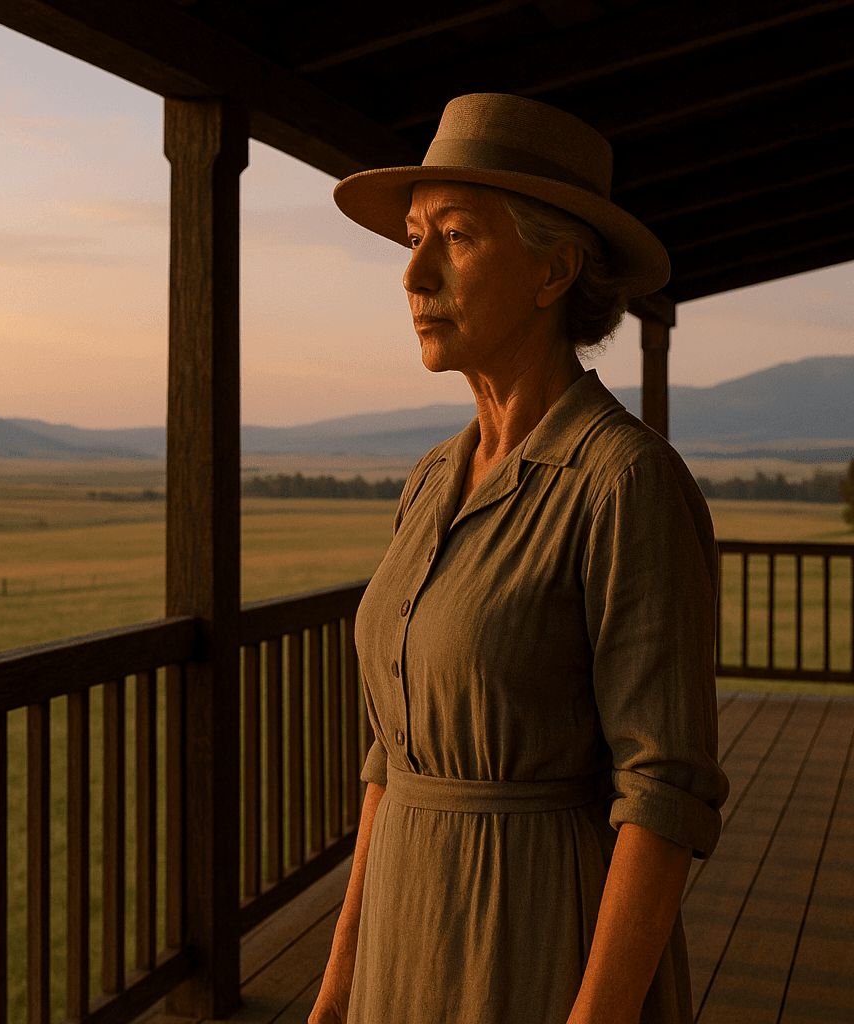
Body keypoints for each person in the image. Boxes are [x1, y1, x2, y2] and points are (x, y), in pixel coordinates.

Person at [309, 93, 729, 1024]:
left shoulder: (625, 485)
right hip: (399, 948)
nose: (413, 275)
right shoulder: (429, 483)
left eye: (452, 237)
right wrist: (338, 984)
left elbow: (664, 797)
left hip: (533, 945)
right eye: (413, 238)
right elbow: (391, 759)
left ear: (554, 270)